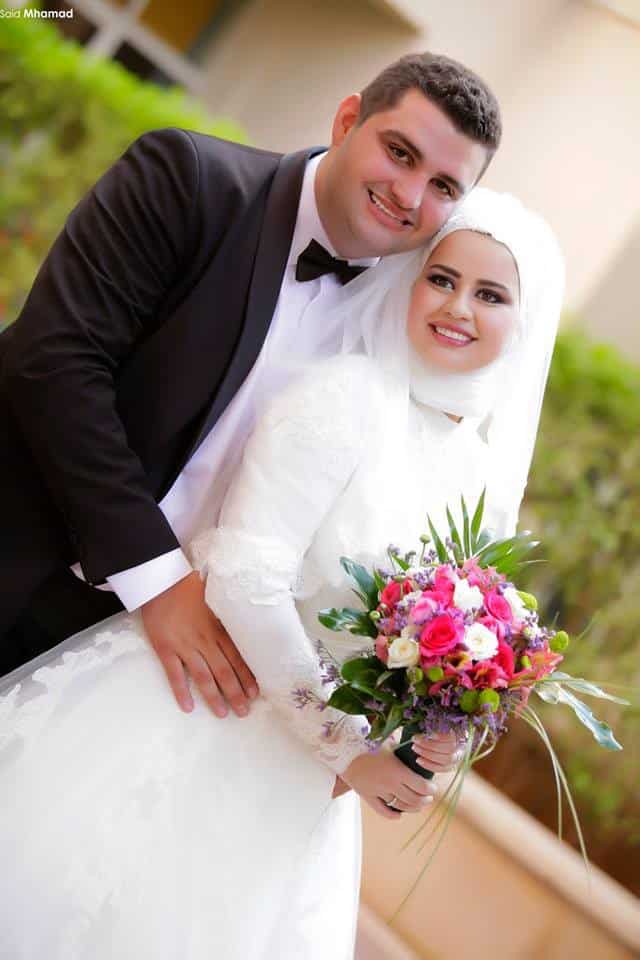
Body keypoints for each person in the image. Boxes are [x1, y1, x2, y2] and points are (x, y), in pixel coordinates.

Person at [0, 188, 564, 958]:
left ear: (525, 325)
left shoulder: (483, 481)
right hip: (199, 718)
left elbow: (439, 655)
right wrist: (346, 746)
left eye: (490, 294)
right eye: (442, 278)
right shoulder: (346, 398)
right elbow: (244, 578)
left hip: (300, 794)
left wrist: (436, 732)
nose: (457, 306)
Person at [0, 54, 500, 742]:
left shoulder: (405, 322)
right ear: (348, 119)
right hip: (26, 559)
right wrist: (158, 580)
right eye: (399, 152)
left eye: (443, 184)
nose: (411, 195)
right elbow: (52, 362)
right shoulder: (187, 179)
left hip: (150, 678)